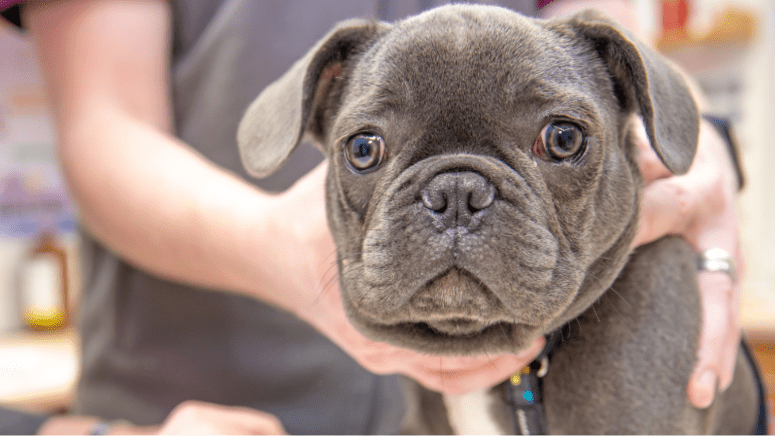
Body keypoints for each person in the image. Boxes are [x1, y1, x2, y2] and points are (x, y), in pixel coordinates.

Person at [0, 0, 744, 434]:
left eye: (558, 140)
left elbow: (602, 40)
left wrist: (693, 141)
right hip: (217, 400)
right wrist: (264, 244)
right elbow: (105, 124)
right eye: (366, 147)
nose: (458, 202)